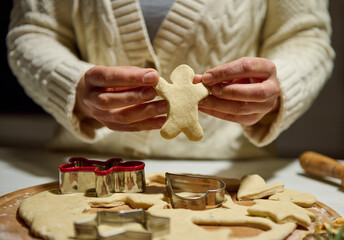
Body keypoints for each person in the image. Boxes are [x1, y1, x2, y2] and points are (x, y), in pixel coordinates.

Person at [7, 0, 334, 159]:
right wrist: (72, 86)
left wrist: (280, 86)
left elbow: (307, 37)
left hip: (228, 176)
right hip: (88, 170)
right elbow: (32, 31)